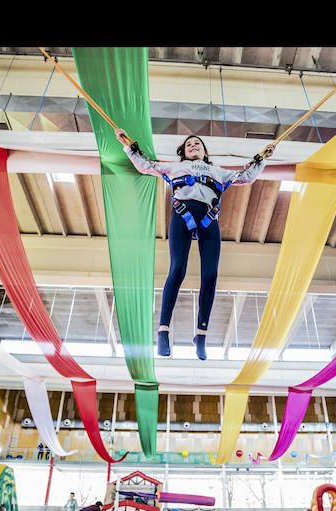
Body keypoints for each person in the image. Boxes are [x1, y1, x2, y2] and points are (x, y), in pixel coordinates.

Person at [116, 129, 274, 360]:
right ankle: (163, 330)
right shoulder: (173, 167)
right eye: (189, 144)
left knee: (210, 274)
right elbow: (145, 165)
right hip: (182, 214)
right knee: (177, 268)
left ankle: (201, 335)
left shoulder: (218, 171)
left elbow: (246, 176)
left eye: (197, 143)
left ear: (204, 151)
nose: (193, 145)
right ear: (183, 152)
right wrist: (128, 146)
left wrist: (262, 160)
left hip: (208, 219)